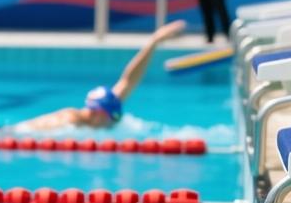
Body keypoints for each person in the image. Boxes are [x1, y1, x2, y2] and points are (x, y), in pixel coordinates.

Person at [19, 20, 186, 130]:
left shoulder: (99, 112)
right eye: (111, 119)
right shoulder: (69, 121)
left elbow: (128, 80)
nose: (112, 124)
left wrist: (155, 40)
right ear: (98, 113)